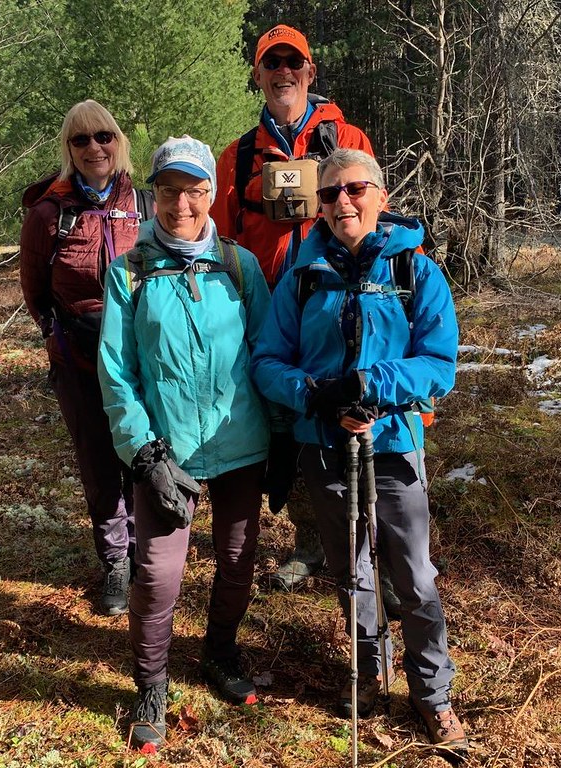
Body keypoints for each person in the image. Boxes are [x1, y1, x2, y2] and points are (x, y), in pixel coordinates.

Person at [251, 149, 468, 755]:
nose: (341, 202)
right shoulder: (302, 270)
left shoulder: (415, 271)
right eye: (329, 194)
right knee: (353, 573)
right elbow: (268, 361)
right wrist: (317, 396)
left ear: (380, 195)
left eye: (353, 190)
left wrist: (373, 387)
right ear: (317, 204)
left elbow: (439, 364)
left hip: (394, 446)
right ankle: (370, 670)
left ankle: (434, 694)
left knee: (415, 577)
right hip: (325, 446)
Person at [97, 135, 271, 754]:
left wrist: (279, 444)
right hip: (166, 454)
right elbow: (117, 373)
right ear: (155, 195)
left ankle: (219, 651)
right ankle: (151, 685)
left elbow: (267, 356)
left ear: (211, 195)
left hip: (241, 448)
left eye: (195, 191)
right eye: (169, 192)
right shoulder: (131, 272)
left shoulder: (240, 266)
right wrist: (144, 451)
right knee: (158, 575)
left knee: (236, 562)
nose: (182, 205)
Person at [210, 23, 390, 602]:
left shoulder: (346, 136)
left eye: (295, 62)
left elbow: (373, 218)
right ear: (257, 76)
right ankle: (294, 537)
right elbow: (220, 241)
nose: (283, 72)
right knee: (280, 426)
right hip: (266, 312)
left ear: (310, 72)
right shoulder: (236, 157)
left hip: (335, 306)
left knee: (338, 419)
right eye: (272, 64)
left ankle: (347, 547)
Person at [19, 100, 150, 616]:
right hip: (79, 357)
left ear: (118, 142)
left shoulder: (143, 202)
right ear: (68, 150)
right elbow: (35, 290)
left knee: (141, 453)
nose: (95, 147)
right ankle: (115, 561)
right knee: (98, 461)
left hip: (141, 358)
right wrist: (57, 337)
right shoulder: (49, 212)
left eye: (103, 137)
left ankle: (146, 551)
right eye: (81, 140)